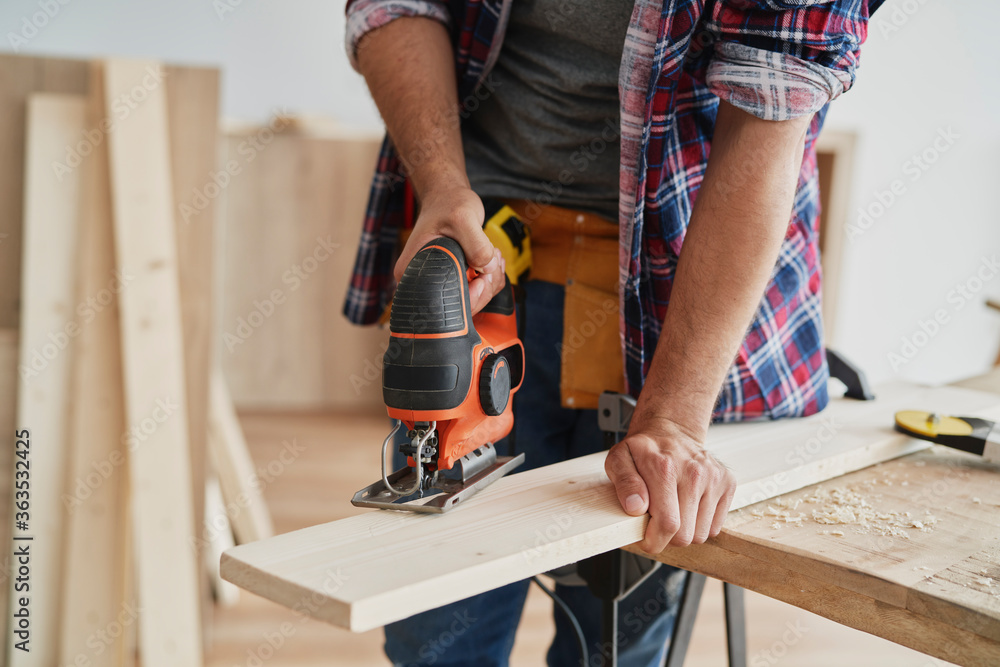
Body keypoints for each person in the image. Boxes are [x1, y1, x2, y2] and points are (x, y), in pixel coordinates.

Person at [342, 0, 882, 664]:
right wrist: (442, 185)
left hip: (683, 304)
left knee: (615, 647)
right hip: (485, 264)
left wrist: (677, 421)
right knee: (435, 641)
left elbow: (770, 107)